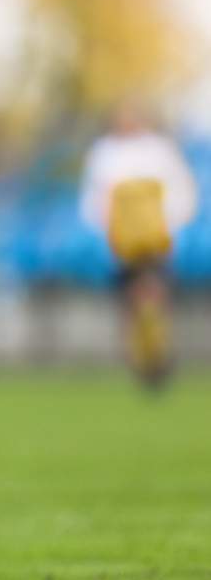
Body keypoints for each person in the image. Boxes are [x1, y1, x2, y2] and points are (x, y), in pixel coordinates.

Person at [80, 104, 198, 388]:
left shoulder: (159, 150)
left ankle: (157, 354)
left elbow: (182, 192)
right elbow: (94, 199)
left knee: (153, 293)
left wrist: (170, 225)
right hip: (122, 242)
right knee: (131, 301)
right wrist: (106, 229)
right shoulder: (104, 153)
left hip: (155, 239)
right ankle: (140, 359)